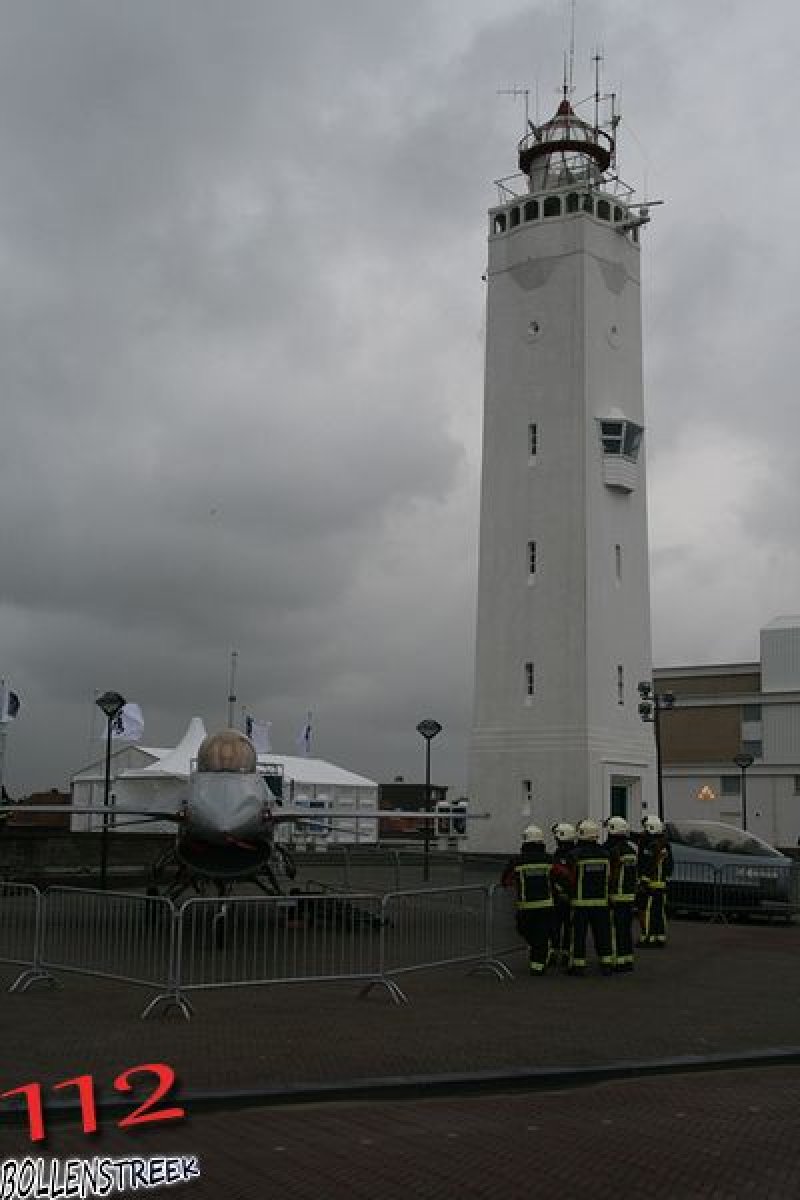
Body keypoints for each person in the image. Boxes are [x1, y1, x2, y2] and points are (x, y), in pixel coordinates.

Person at [502, 825, 555, 975]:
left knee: (525, 931)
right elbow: (563, 876)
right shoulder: (548, 859)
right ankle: (538, 963)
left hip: (526, 906)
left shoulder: (517, 861)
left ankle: (537, 965)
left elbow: (505, 880)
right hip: (546, 905)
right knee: (541, 935)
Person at [567, 818, 614, 976]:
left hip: (580, 903)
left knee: (578, 936)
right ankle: (606, 963)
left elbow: (570, 878)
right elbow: (609, 877)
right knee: (603, 934)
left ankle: (578, 965)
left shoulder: (575, 855)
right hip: (601, 901)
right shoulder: (605, 854)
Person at [604, 816, 638, 972]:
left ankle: (617, 960)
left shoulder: (612, 851)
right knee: (625, 929)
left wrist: (608, 894)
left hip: (616, 896)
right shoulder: (631, 850)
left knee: (614, 929)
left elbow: (611, 875)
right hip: (629, 895)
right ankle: (627, 959)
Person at [637, 814, 673, 947]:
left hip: (651, 884)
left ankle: (648, 937)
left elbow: (648, 865)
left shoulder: (652, 845)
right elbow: (669, 867)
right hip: (662, 884)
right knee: (659, 912)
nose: (645, 831)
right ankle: (660, 937)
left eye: (646, 829)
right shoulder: (665, 844)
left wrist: (644, 881)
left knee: (648, 911)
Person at [550, 822, 577, 970]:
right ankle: (566, 953)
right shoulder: (575, 852)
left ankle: (555, 951)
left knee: (556, 925)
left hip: (560, 897)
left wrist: (560, 890)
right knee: (568, 927)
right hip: (571, 897)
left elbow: (556, 875)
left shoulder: (562, 854)